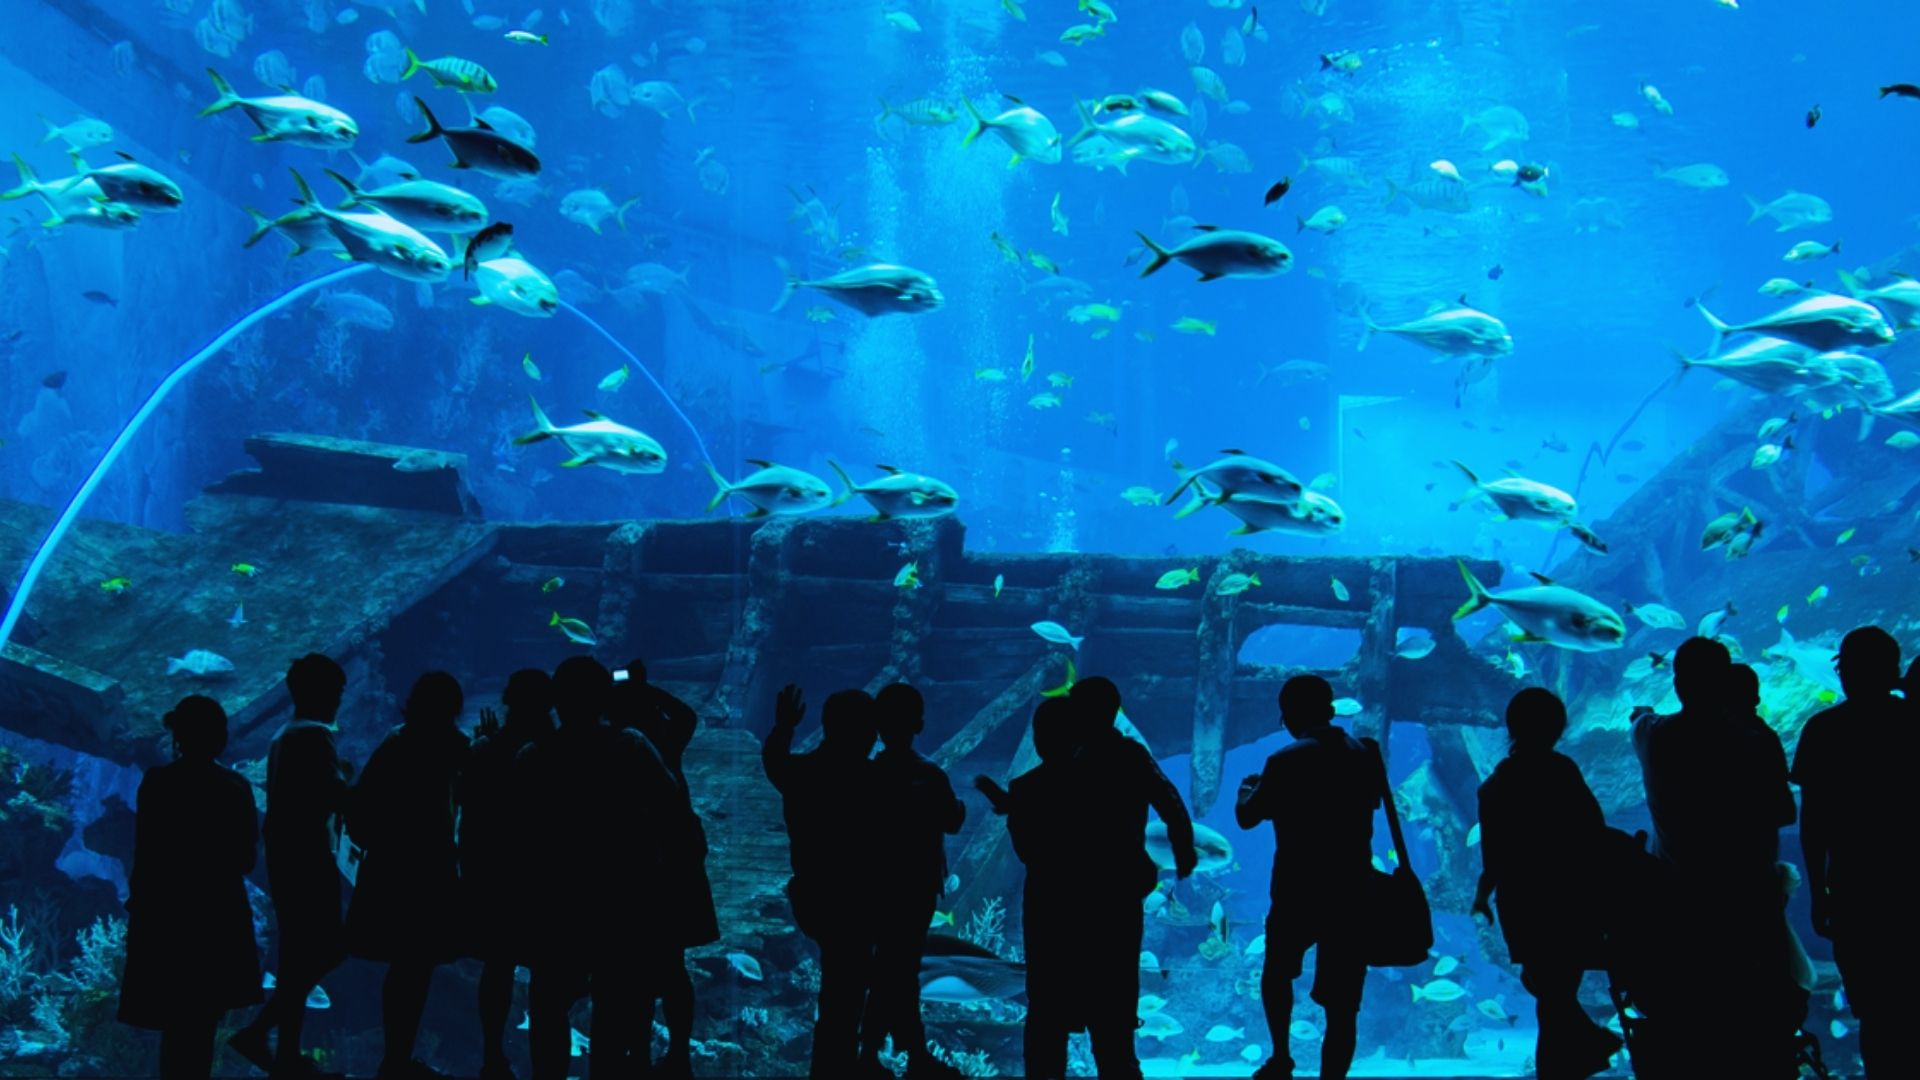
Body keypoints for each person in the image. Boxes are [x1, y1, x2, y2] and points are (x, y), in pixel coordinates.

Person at [1631, 638, 1799, 1076]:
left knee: (1693, 1026)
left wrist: (1644, 712)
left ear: (1678, 682)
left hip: (1680, 904)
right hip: (1748, 901)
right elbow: (1784, 810)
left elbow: (1641, 720)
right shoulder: (1753, 739)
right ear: (1726, 683)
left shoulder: (1655, 737)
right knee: (1760, 1024)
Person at [514, 657, 672, 1080]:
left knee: (548, 1001)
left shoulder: (533, 756)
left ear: (556, 701)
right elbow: (669, 805)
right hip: (620, 894)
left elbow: (516, 828)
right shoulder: (630, 746)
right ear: (605, 699)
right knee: (616, 999)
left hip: (554, 897)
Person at [1235, 674, 1379, 1080]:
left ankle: (1281, 1057)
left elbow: (1247, 817)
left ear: (1288, 716)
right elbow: (1370, 803)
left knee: (1278, 973)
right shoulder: (1364, 754)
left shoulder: (1285, 760)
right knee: (1343, 1000)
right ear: (1331, 711)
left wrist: (1246, 789)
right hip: (1352, 891)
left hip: (1299, 890)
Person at [1471, 689, 1620, 1079]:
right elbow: (1593, 833)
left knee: (1547, 985)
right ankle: (1582, 1048)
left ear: (1511, 728)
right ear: (1558, 728)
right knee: (1556, 986)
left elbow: (1493, 854)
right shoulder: (1562, 772)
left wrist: (1483, 895)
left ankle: (1579, 1051)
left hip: (1521, 901)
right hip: (1568, 896)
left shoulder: (1495, 787)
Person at [118, 695, 262, 1078]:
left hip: (165, 918)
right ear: (221, 737)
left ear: (178, 736)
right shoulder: (234, 787)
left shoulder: (158, 783)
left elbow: (148, 852)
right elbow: (245, 860)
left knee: (174, 1023)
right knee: (202, 1021)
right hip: (216, 920)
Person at [1794, 626, 1912, 1075]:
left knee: (1876, 1010)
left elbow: (1814, 823)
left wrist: (1820, 892)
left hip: (1856, 890)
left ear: (1845, 673)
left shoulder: (1824, 730)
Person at [1065, 677, 1196, 1080]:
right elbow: (1171, 801)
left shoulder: (1072, 757)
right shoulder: (1130, 754)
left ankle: (1093, 1031)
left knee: (1081, 961)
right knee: (1120, 965)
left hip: (1079, 882)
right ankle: (1119, 1050)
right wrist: (1183, 849)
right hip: (1122, 879)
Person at [231, 653, 354, 1078]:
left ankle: (284, 1052)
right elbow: (334, 797)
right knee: (333, 944)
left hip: (285, 857)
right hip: (308, 859)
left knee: (299, 957)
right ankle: (262, 1032)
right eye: (336, 693)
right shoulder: (315, 736)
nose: (339, 701)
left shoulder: (284, 735)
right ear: (320, 693)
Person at [346, 672, 472, 1079]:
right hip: (431, 871)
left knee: (404, 965)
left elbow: (361, 811)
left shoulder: (396, 743)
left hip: (391, 869)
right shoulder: (458, 746)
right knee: (416, 967)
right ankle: (397, 1057)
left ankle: (395, 1056)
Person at [763, 685, 880, 1079]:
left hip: (814, 897)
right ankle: (841, 1064)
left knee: (840, 986)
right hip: (857, 900)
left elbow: (774, 761)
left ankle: (836, 1061)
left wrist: (783, 726)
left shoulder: (801, 773)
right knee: (847, 992)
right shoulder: (873, 779)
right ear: (867, 731)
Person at [617, 659, 717, 1080]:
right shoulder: (667, 739)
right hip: (673, 862)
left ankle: (636, 1052)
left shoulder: (616, 743)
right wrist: (646, 689)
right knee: (671, 964)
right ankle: (677, 1053)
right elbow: (687, 715)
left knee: (631, 967)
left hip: (627, 867)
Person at [974, 697, 1083, 1080]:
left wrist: (1008, 805)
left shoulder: (1026, 786)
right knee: (1096, 990)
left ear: (1038, 739)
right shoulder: (1098, 786)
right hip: (1090, 900)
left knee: (1044, 999)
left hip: (1045, 897)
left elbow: (1024, 847)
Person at [861, 683, 966, 1080]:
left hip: (876, 886)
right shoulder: (930, 774)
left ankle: (886, 1051)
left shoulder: (869, 774)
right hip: (917, 887)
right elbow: (953, 821)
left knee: (890, 968)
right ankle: (890, 1052)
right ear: (919, 724)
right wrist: (961, 805)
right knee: (899, 970)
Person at [460, 669, 556, 1080]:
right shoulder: (557, 750)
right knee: (548, 971)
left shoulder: (486, 748)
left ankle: (493, 1056)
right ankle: (545, 1066)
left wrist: (484, 744)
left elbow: (469, 809)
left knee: (497, 967)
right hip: (545, 878)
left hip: (495, 876)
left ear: (508, 700)